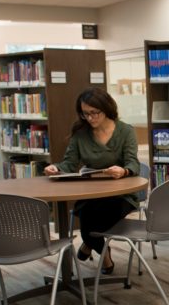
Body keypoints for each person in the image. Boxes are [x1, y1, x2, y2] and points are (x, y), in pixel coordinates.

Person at [44, 89, 141, 275]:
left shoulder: (126, 131)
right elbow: (69, 163)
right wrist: (56, 168)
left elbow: (132, 162)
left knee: (91, 217)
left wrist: (123, 170)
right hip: (91, 193)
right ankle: (103, 253)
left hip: (120, 194)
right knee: (88, 211)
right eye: (85, 113)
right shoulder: (81, 134)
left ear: (106, 109)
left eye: (94, 112)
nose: (89, 118)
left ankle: (90, 245)